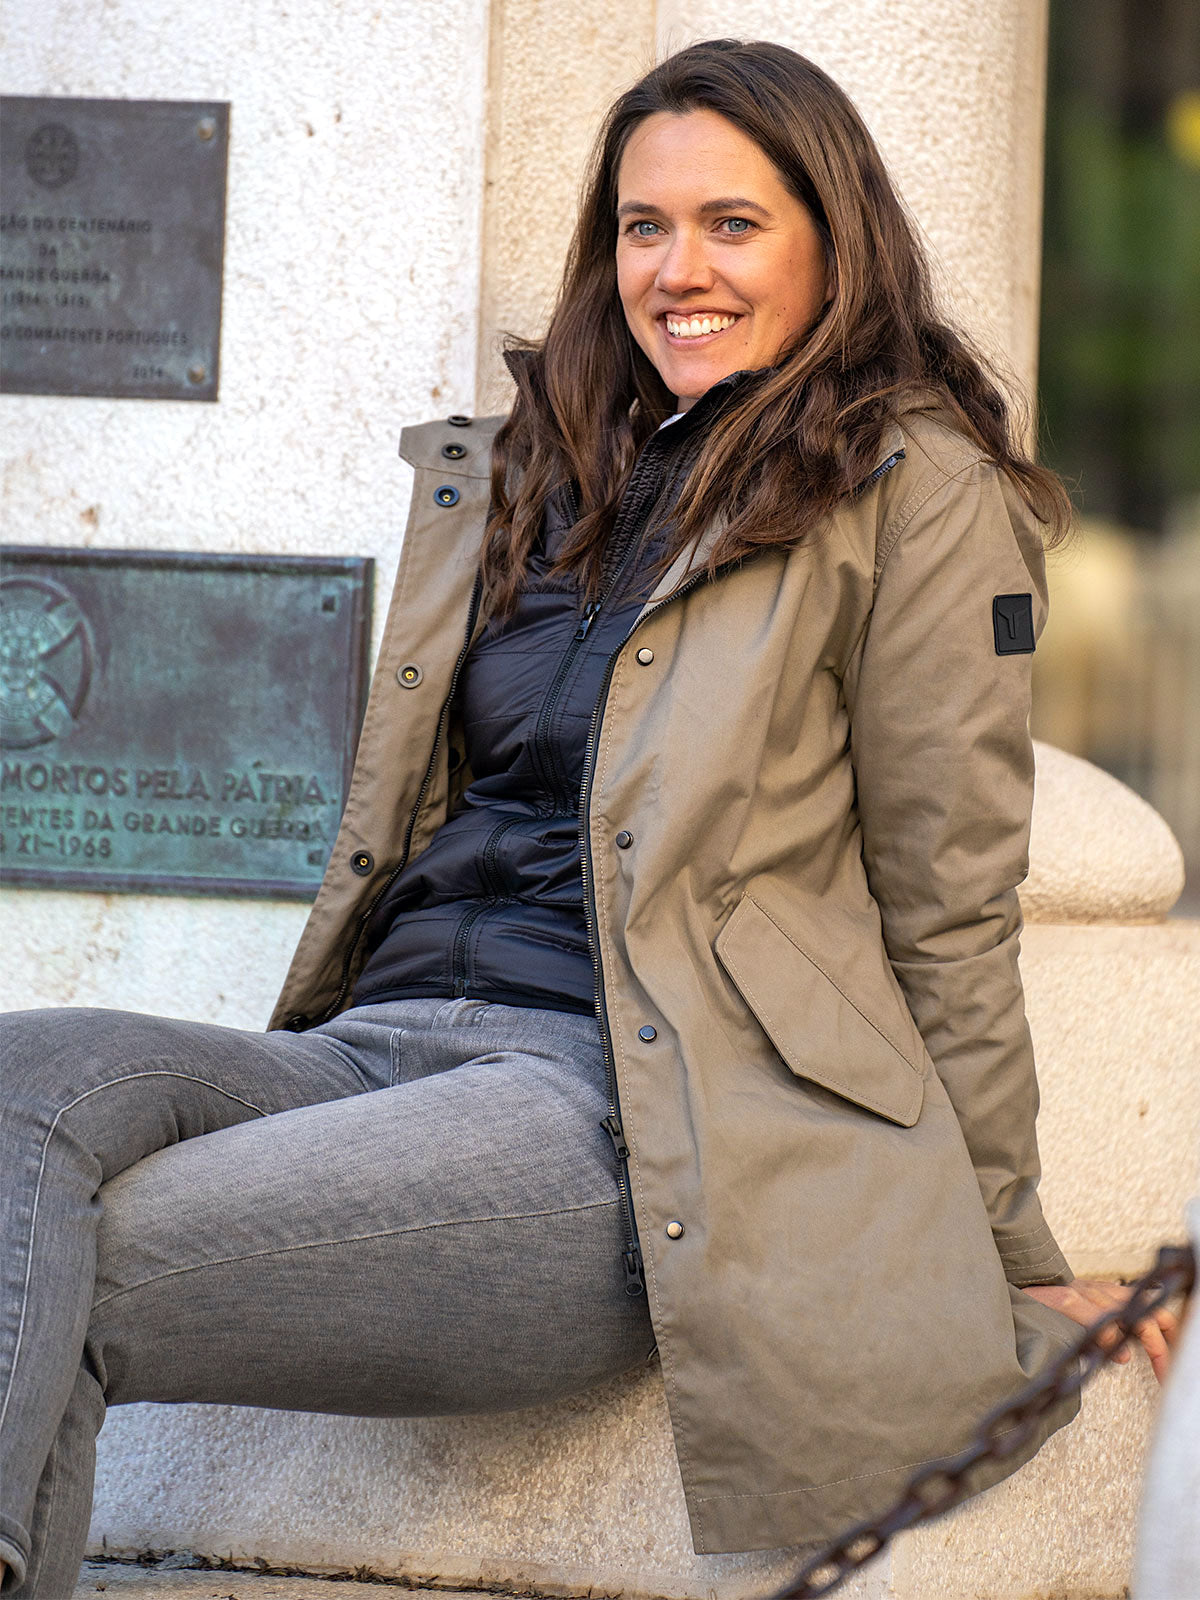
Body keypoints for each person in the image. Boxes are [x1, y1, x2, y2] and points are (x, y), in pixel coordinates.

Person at [0, 38, 1178, 1597]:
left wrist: (1010, 1259)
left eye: (734, 224)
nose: (677, 269)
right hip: (376, 1043)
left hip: (614, 1111)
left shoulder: (915, 495)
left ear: (837, 237)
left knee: (61, 1264)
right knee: (27, 1079)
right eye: (644, 225)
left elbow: (947, 902)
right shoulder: (535, 476)